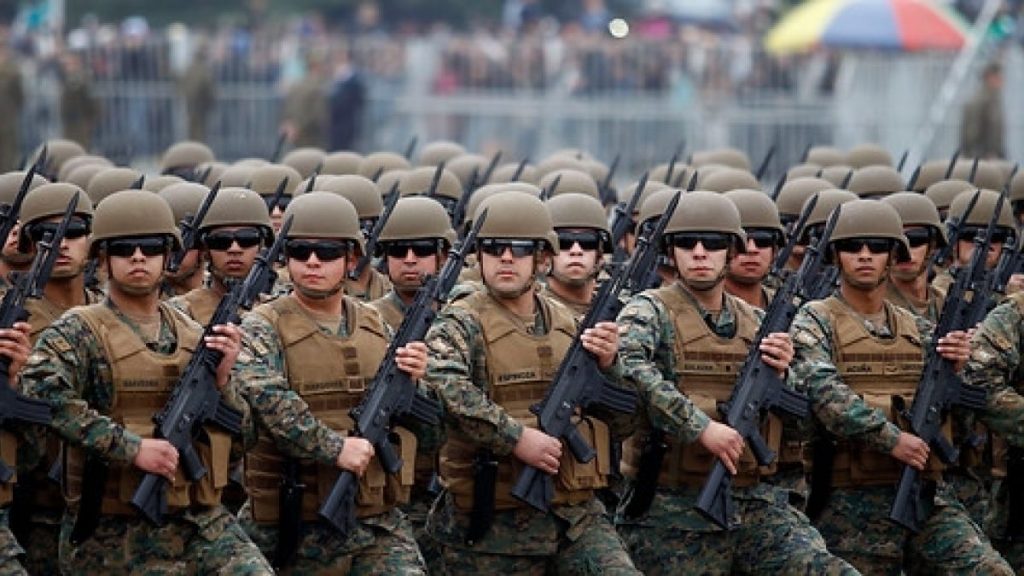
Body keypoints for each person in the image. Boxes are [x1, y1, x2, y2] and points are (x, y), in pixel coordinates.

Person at [20, 190, 272, 574]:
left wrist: (222, 383)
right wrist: (131, 448)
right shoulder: (78, 330)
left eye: (151, 247)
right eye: (124, 249)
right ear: (103, 258)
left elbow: (243, 440)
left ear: (167, 256)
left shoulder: (193, 333)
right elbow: (41, 393)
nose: (138, 257)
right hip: (112, 528)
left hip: (196, 520)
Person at [613, 191, 854, 575]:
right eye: (686, 243)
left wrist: (785, 374)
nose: (699, 253)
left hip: (755, 501)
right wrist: (701, 428)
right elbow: (631, 372)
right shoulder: (648, 310)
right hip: (671, 506)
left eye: (712, 243)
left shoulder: (756, 321)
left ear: (731, 251)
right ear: (671, 252)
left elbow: (802, 422)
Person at [790, 199, 1012, 574]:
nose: (865, 255)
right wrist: (893, 439)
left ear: (894, 255)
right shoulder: (815, 320)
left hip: (925, 493)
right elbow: (825, 394)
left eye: (877, 247)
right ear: (835, 256)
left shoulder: (918, 330)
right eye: (852, 246)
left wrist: (958, 371)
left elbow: (963, 421)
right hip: (849, 502)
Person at [424, 191, 641, 574]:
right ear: (479, 257)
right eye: (495, 248)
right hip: (495, 522)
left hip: (574, 516)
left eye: (520, 249)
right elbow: (445, 388)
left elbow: (623, 423)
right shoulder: (460, 322)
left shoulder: (569, 323)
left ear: (542, 258)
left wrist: (610, 366)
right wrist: (518, 438)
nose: (507, 258)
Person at [233, 191, 428, 574]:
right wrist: (335, 448)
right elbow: (270, 402)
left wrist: (417, 384)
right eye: (300, 252)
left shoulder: (376, 324)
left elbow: (430, 433)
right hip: (290, 522)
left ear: (351, 259)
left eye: (326, 252)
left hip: (374, 520)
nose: (312, 262)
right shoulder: (262, 326)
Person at [7, 183, 102, 575]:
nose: (61, 243)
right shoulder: (11, 318)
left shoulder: (114, 314)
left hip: (108, 506)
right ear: (27, 242)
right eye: (46, 233)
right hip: (36, 506)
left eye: (73, 231)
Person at [370, 195, 455, 573]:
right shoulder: (368, 321)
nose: (409, 259)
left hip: (458, 489)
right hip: (392, 489)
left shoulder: (463, 317)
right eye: (397, 250)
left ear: (441, 255)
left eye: (421, 249)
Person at [168, 187, 273, 325]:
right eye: (221, 240)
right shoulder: (178, 313)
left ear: (261, 246)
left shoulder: (278, 313)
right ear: (205, 249)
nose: (234, 249)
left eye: (247, 238)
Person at [541, 192, 611, 316]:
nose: (576, 250)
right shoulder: (533, 312)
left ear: (599, 254)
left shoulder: (623, 311)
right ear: (545, 253)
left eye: (588, 241)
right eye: (563, 241)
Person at [723, 188, 786, 309]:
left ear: (775, 250)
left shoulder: (791, 308)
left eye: (763, 240)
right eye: (740, 241)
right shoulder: (698, 310)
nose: (751, 249)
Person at [961, 62, 1005, 160]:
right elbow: (971, 132)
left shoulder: (994, 99)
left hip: (992, 155)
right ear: (989, 78)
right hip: (981, 157)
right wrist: (981, 154)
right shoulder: (980, 100)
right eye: (998, 77)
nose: (1001, 81)